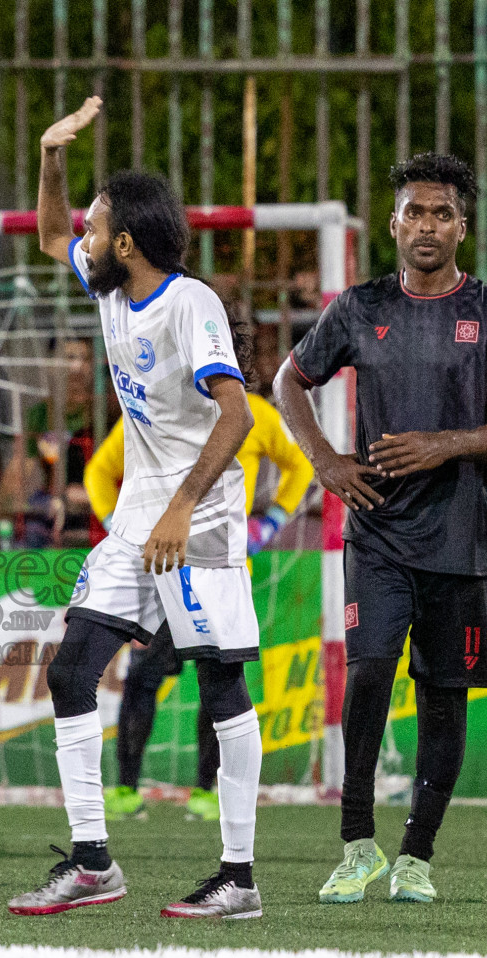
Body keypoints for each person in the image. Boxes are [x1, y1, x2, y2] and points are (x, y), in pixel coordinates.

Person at [8, 96, 264, 921]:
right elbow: (51, 235)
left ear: (125, 244)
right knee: (72, 668)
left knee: (221, 682)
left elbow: (237, 413)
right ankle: (91, 864)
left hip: (203, 509)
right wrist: (52, 156)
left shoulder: (190, 306)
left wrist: (184, 507)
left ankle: (238, 878)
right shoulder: (112, 288)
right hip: (140, 513)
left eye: (95, 226)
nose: (79, 238)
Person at [273, 152, 487, 904]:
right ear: (393, 223)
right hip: (379, 532)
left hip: (460, 537)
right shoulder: (359, 309)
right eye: (415, 212)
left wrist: (444, 443)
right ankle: (358, 844)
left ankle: (417, 855)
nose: (427, 226)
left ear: (464, 224)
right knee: (366, 674)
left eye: (442, 213)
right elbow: (289, 380)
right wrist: (324, 459)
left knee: (443, 695)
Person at [92, 327, 314, 823]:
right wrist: (117, 525)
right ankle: (126, 788)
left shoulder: (254, 418)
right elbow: (98, 471)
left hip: (221, 571)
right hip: (162, 568)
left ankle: (208, 791)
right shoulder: (155, 408)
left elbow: (299, 467)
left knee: (217, 680)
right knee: (145, 677)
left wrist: (272, 522)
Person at [0, 336, 100, 547]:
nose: (77, 367)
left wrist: (80, 493)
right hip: (56, 514)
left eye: (85, 358)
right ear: (52, 365)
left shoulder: (107, 412)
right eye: (69, 357)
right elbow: (18, 475)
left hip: (102, 508)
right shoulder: (40, 415)